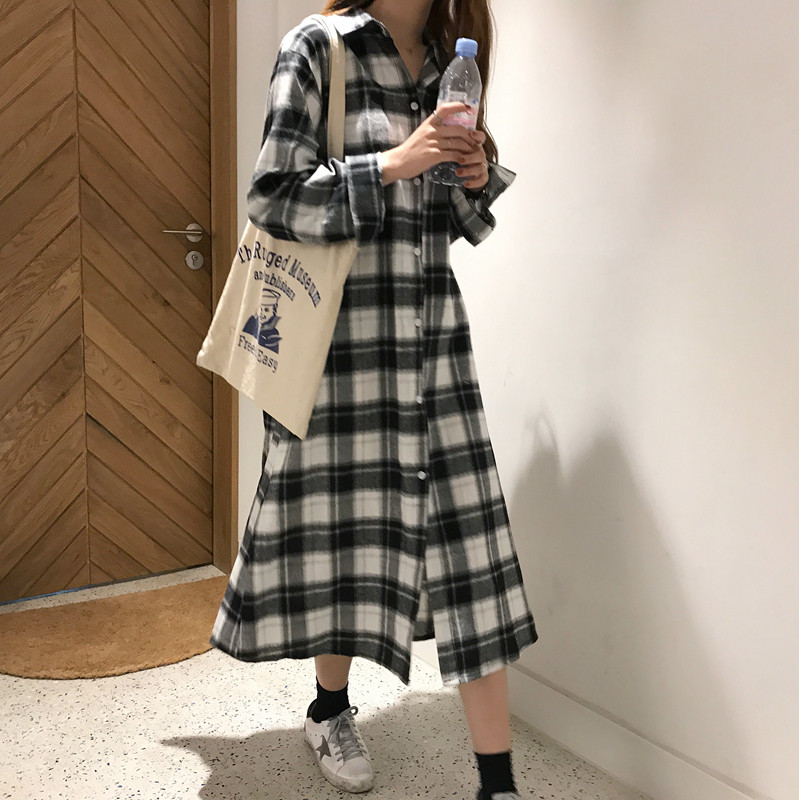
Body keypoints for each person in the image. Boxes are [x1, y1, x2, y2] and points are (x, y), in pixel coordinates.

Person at [210, 1, 538, 799]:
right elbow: (272, 198)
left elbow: (444, 225)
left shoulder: (448, 65)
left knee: (474, 557)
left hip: (432, 352)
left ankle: (498, 784)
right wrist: (392, 162)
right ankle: (329, 708)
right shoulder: (317, 48)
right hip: (335, 355)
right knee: (343, 537)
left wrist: (468, 174)